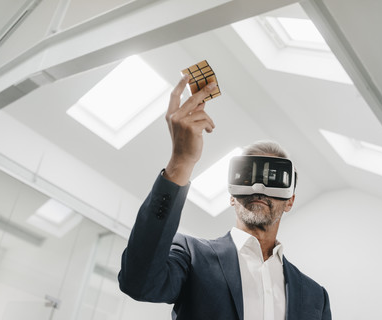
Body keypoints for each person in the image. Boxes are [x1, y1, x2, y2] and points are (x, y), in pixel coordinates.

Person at [118, 74, 332, 320]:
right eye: (247, 177)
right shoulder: (191, 256)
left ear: (290, 201)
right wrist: (181, 161)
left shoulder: (316, 296)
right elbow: (138, 282)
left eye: (273, 179)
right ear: (231, 196)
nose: (258, 187)